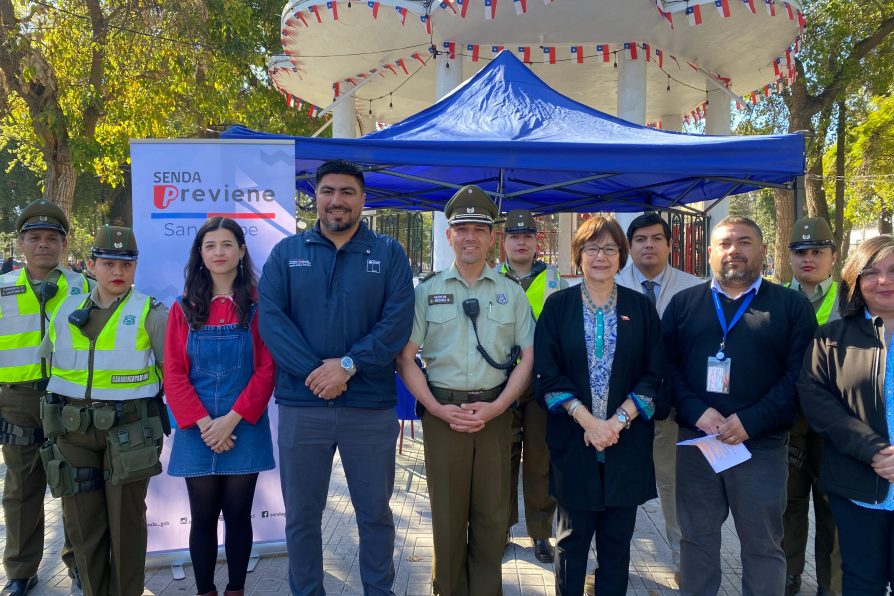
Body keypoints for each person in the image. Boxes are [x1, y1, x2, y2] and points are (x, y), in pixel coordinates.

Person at [258, 159, 414, 596]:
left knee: (375, 514)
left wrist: (347, 365)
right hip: (302, 405)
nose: (336, 200)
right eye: (328, 191)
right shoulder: (287, 253)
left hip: (369, 407)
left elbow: (396, 323)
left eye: (347, 192)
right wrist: (317, 373)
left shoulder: (388, 253)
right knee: (302, 516)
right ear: (316, 197)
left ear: (363, 199)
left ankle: (379, 591)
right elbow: (272, 321)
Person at [662, 216, 816, 596]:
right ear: (710, 252)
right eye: (725, 243)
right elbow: (664, 368)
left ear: (762, 250)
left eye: (745, 242)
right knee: (696, 541)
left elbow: (800, 377)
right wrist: (696, 411)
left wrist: (751, 421)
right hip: (698, 444)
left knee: (763, 546)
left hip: (760, 446)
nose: (734, 250)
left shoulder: (792, 306)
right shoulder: (684, 304)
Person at [397, 186, 535, 596]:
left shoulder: (511, 292)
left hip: (496, 414)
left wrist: (499, 407)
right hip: (444, 414)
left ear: (492, 237)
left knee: (493, 515)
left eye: (479, 229)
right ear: (449, 235)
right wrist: (435, 408)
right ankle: (449, 589)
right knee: (447, 515)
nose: (470, 237)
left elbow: (529, 357)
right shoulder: (427, 291)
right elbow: (406, 358)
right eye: (462, 229)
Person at [535, 215, 665, 595]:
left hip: (626, 446)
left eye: (610, 248)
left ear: (621, 256)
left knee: (617, 545)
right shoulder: (557, 307)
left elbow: (655, 374)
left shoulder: (641, 308)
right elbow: (547, 373)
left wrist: (617, 421)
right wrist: (590, 423)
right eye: (591, 248)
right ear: (578, 255)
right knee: (571, 543)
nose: (601, 256)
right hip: (574, 444)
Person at [38, 225, 168, 596]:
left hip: (130, 431)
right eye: (108, 263)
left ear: (136, 267)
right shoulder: (65, 310)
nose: (118, 272)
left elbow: (172, 373)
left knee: (126, 525)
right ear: (92, 265)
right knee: (83, 527)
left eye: (126, 264)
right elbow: (48, 366)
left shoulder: (152, 313)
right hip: (74, 431)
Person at [164, 217, 275, 596]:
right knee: (202, 518)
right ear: (200, 253)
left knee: (239, 516)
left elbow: (267, 369)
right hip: (197, 430)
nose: (219, 252)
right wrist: (204, 423)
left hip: (244, 425)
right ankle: (205, 591)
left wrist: (230, 420)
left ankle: (236, 590)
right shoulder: (184, 308)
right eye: (210, 245)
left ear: (242, 251)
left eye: (227, 244)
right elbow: (174, 373)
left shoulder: (259, 307)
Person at [798, 234, 894, 594]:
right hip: (857, 480)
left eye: (893, 271)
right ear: (855, 280)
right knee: (861, 578)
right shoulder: (830, 338)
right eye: (871, 273)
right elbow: (816, 399)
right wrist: (873, 450)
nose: (883, 281)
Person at [0, 199, 86, 596]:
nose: (43, 245)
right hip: (17, 402)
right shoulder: (2, 289)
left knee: (76, 484)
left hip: (69, 399)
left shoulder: (84, 287)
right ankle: (21, 571)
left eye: (52, 238)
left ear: (64, 244)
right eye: (34, 237)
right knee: (21, 489)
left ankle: (80, 565)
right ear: (21, 243)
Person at [615, 211, 701, 580]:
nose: (648, 245)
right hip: (620, 413)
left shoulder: (694, 288)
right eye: (640, 239)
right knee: (614, 492)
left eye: (656, 238)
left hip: (672, 411)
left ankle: (685, 565)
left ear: (669, 244)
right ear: (630, 246)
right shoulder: (610, 284)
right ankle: (609, 566)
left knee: (674, 489)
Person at [497, 208, 567, 563]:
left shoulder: (555, 281)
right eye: (514, 236)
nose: (521, 242)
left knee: (540, 459)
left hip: (541, 383)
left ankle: (540, 533)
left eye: (527, 236)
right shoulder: (491, 278)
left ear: (536, 241)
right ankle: (501, 528)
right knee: (501, 458)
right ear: (504, 241)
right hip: (501, 382)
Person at [782, 217, 841, 596]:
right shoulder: (774, 300)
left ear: (833, 256)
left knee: (833, 503)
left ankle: (831, 585)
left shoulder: (853, 300)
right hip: (789, 420)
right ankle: (787, 576)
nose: (808, 258)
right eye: (800, 251)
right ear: (789, 257)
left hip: (836, 421)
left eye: (817, 251)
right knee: (788, 501)